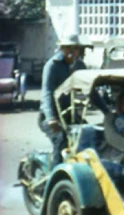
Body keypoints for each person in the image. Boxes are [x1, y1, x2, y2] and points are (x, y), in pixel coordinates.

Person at [39, 34, 88, 167]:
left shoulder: (80, 66)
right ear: (62, 48)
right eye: (68, 48)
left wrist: (107, 111)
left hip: (68, 114)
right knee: (61, 139)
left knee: (88, 133)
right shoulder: (52, 66)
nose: (72, 52)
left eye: (75, 48)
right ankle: (56, 179)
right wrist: (50, 118)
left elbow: (91, 90)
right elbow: (47, 93)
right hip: (51, 116)